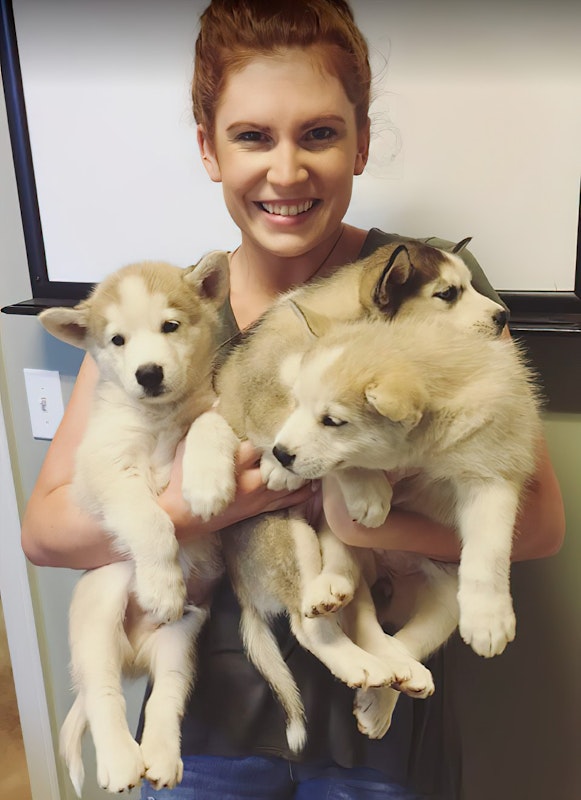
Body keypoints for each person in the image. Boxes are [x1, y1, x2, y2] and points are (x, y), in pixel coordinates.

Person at [22, 1, 565, 798]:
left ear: (361, 141)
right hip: (206, 728)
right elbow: (45, 533)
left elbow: (539, 523)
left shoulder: (423, 283)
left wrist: (356, 521)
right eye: (252, 136)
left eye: (318, 134)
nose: (285, 172)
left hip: (377, 725)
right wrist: (206, 507)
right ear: (207, 148)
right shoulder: (164, 314)